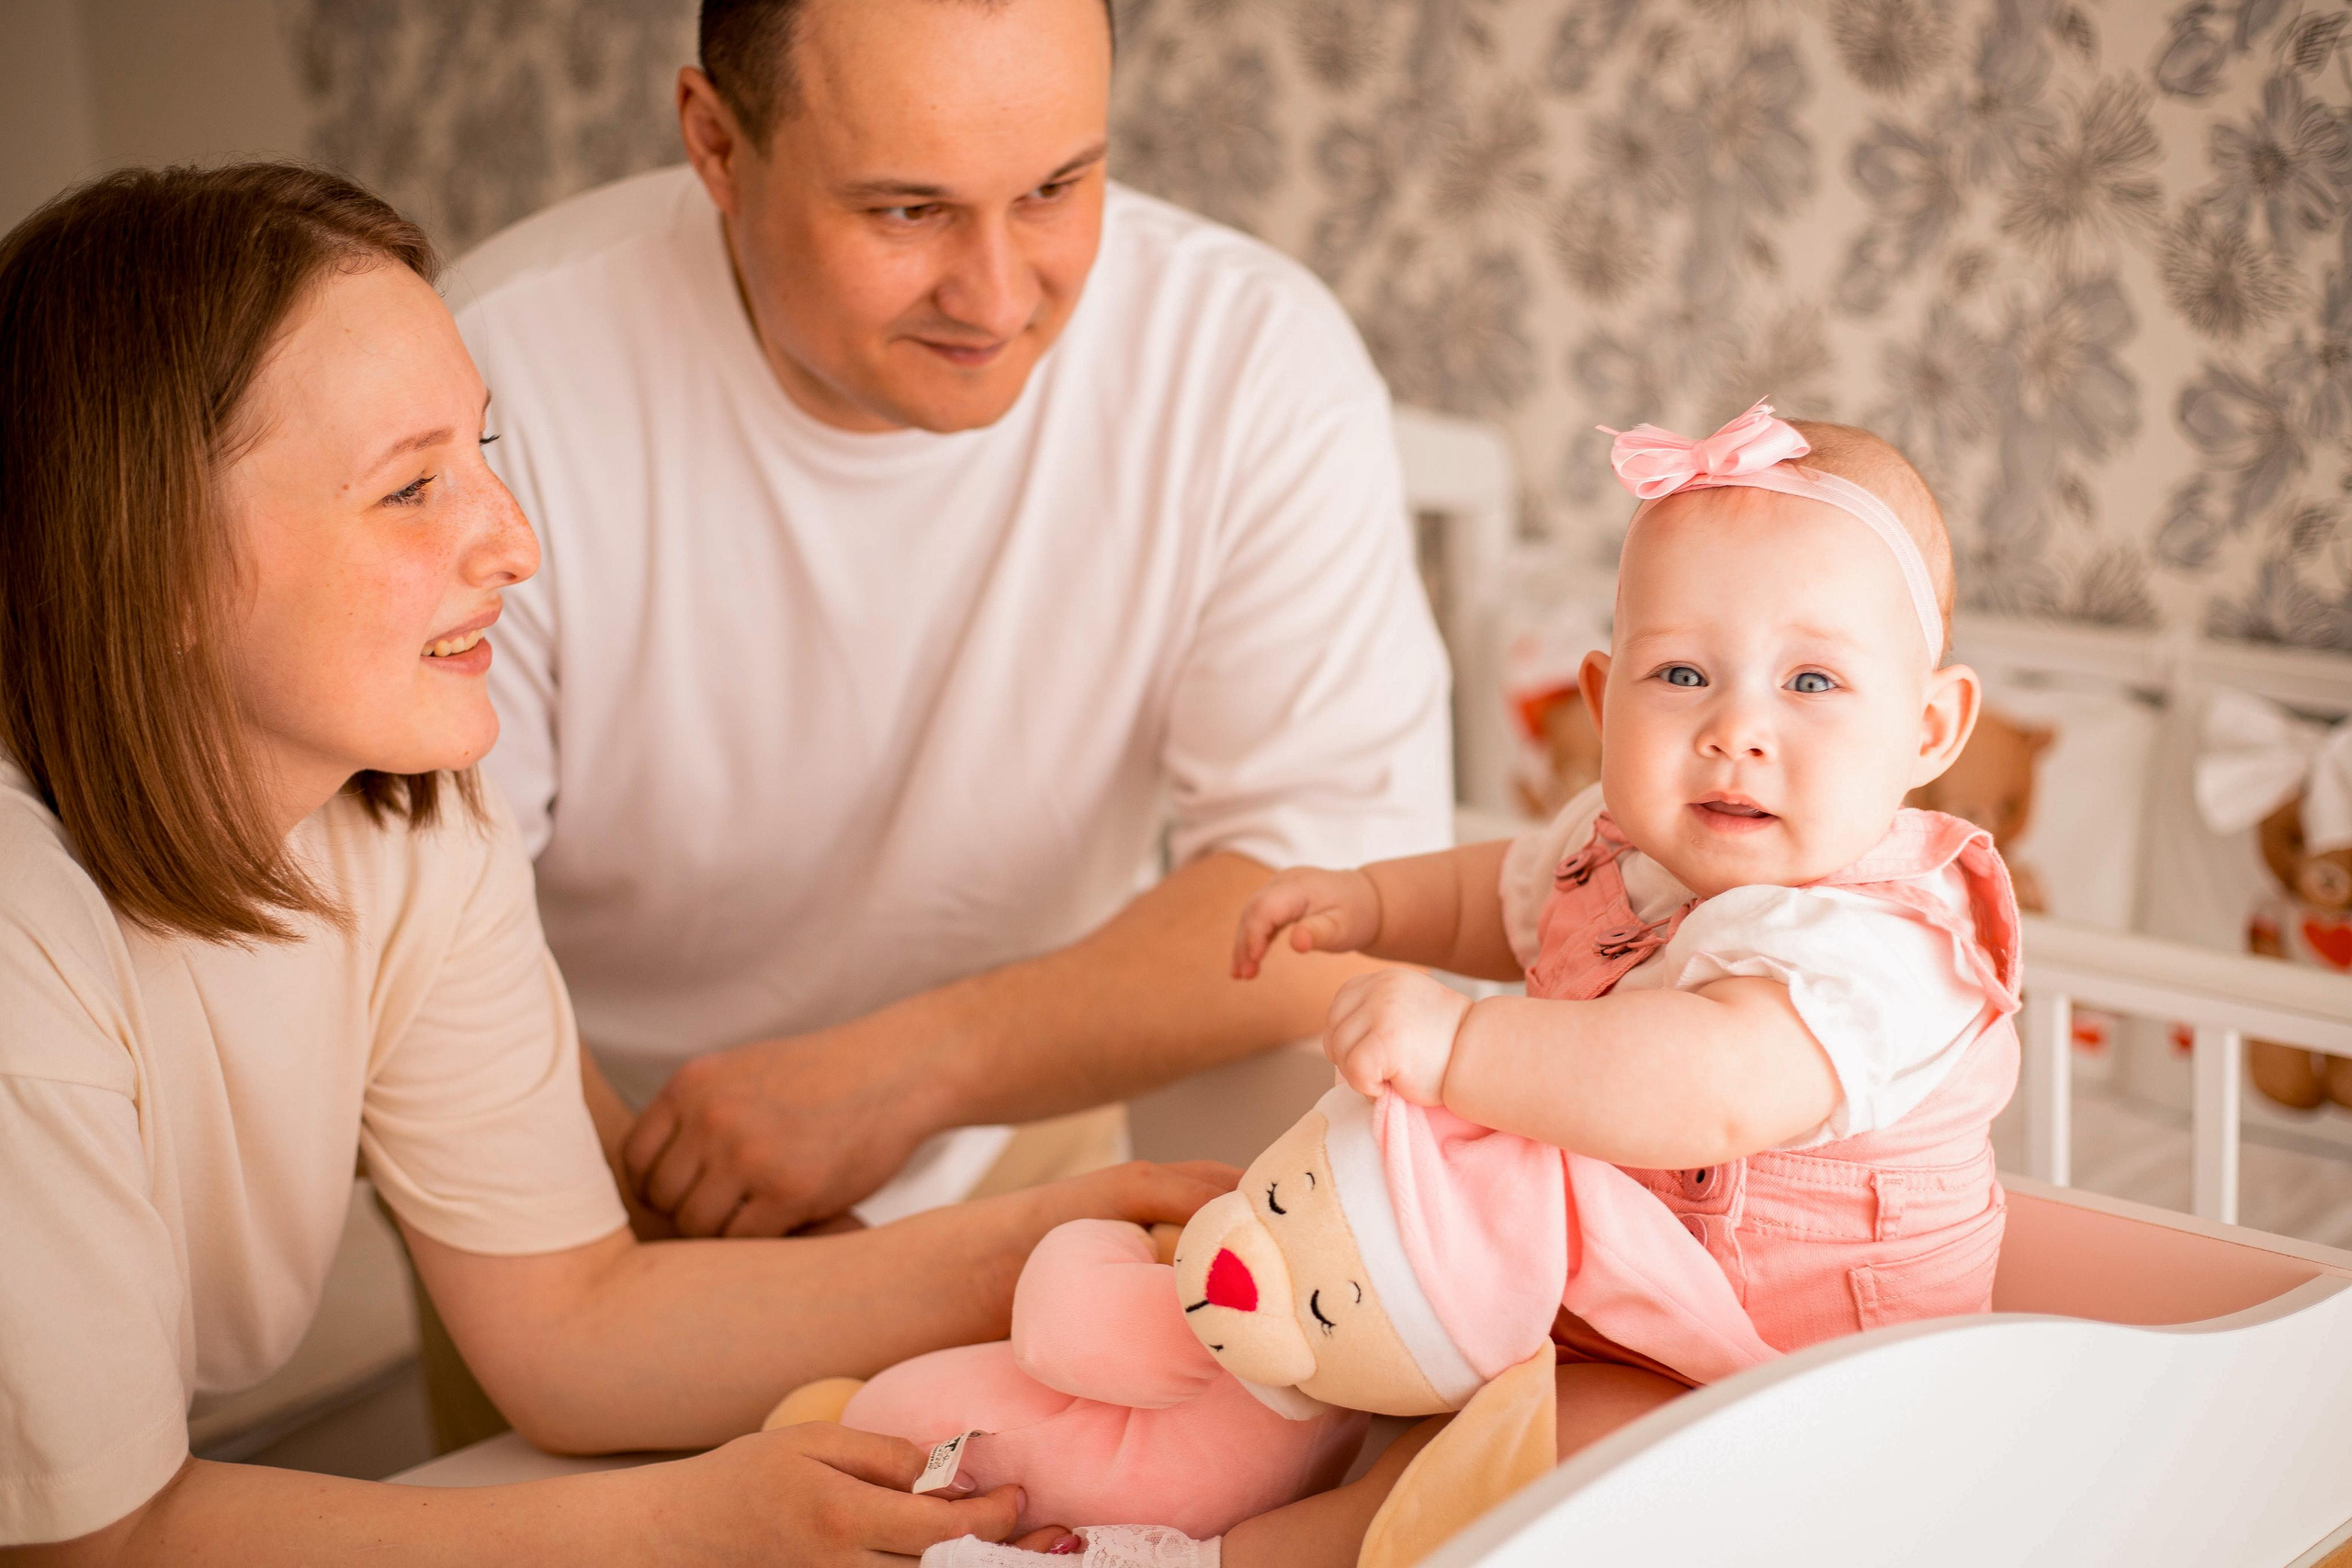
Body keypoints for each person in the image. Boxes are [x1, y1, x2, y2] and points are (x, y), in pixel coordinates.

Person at [0, 162, 1230, 1564]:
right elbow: (90, 1540)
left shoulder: (404, 824)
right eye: (412, 488)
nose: (514, 543)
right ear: (153, 562)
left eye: (484, 453)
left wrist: (1035, 1248)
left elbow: (569, 1320)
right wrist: (679, 1522)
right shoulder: (22, 937)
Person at [933, 402, 2015, 1567]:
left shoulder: (1884, 945)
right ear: (1604, 703)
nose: (1733, 729)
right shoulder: (1619, 848)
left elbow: (1700, 1087)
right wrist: (1367, 902)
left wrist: (1460, 1049)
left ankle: (1213, 1561)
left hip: (1799, 1390)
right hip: (1602, 1316)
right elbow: (1490, 896)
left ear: (1929, 725)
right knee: (1385, 1401)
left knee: (1515, 1467)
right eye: (1683, 672)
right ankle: (1137, 1494)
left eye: (1811, 682)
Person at [447, 0, 1453, 1242]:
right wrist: (648, 1244)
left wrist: (913, 1069)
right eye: (905, 211)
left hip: (1020, 1121)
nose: (992, 296)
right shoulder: (492, 386)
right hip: (579, 1155)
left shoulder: (1249, 364)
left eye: (1053, 188)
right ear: (715, 144)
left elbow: (1353, 893)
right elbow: (424, 938)